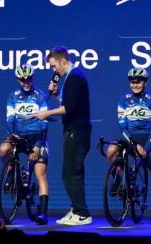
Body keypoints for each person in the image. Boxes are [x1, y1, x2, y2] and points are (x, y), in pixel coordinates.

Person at [106, 68, 151, 224]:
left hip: (147, 140)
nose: (135, 84)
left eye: (138, 81)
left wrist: (147, 146)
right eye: (132, 81)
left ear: (145, 82)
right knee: (110, 151)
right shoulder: (123, 100)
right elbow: (123, 127)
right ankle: (118, 178)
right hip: (130, 139)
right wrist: (134, 145)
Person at [35, 46, 92, 226]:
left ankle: (82, 213)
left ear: (62, 61)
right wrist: (58, 93)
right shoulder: (69, 78)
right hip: (73, 129)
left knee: (70, 172)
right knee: (73, 171)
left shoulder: (75, 77)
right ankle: (76, 209)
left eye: (54, 66)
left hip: (78, 131)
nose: (54, 70)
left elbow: (69, 109)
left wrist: (47, 113)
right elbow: (67, 104)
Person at [0, 64, 50, 225]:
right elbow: (10, 118)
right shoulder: (13, 96)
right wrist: (11, 133)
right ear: (18, 79)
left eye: (29, 79)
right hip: (18, 137)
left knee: (40, 172)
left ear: (33, 78)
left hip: (37, 139)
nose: (26, 82)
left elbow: (44, 124)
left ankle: (42, 213)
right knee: (3, 149)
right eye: (22, 79)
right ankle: (15, 172)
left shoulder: (40, 96)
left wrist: (37, 146)